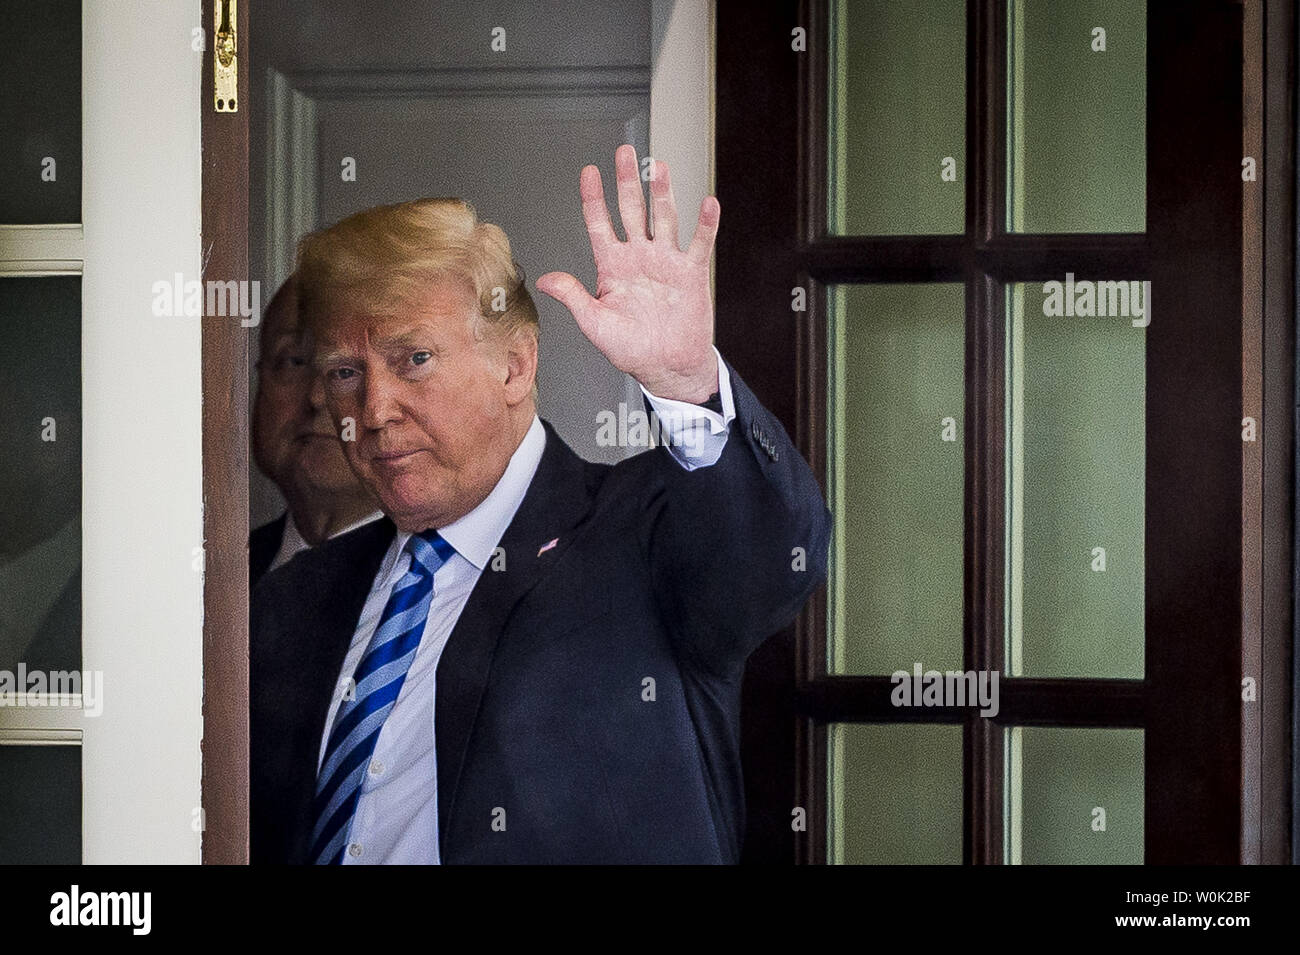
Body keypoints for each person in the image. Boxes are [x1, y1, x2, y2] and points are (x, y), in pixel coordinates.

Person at [251, 144, 831, 864]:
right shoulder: (291, 601)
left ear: (515, 364)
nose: (372, 409)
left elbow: (774, 558)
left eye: (414, 360)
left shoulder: (645, 534)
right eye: (345, 371)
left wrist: (685, 383)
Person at [250, 275, 381, 585]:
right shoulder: (208, 578)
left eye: (347, 369)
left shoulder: (429, 584)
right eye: (294, 361)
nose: (317, 397)